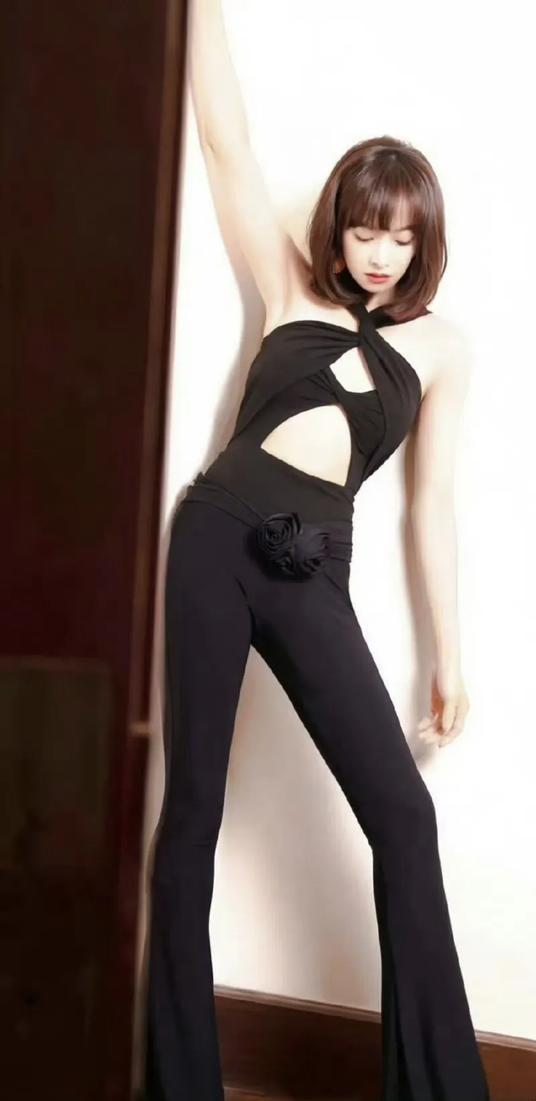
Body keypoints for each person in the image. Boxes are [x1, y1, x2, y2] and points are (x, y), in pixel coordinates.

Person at [141, 2, 491, 1099]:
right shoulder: (291, 284)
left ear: (424, 242)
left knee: (404, 816)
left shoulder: (443, 351)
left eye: (402, 237)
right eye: (365, 230)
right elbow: (225, 141)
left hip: (312, 571)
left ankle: (435, 1086)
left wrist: (450, 655)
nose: (381, 255)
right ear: (338, 228)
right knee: (192, 811)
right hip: (214, 538)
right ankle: (180, 1084)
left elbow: (431, 505)